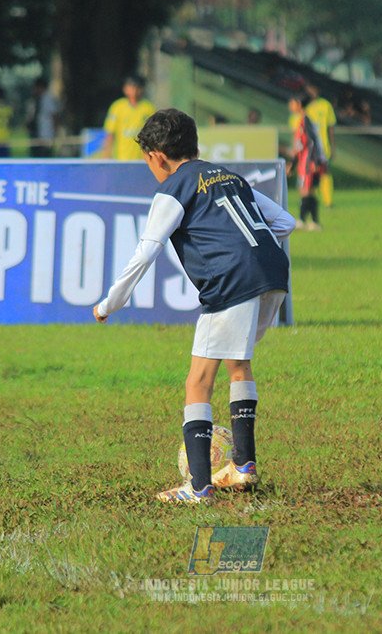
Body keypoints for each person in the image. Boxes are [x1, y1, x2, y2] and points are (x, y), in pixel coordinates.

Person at [93, 109, 296, 503]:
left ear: (156, 156)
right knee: (238, 363)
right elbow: (284, 222)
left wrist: (109, 303)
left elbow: (146, 251)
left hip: (231, 281)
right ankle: (243, 466)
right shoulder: (230, 177)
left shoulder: (173, 189)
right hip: (273, 273)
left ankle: (199, 486)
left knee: (197, 382)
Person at [288, 93, 326, 230]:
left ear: (299, 104)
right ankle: (314, 222)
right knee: (308, 191)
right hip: (305, 160)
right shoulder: (301, 121)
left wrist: (314, 161)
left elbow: (312, 142)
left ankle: (303, 220)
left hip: (308, 161)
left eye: (292, 103)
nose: (290, 106)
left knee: (306, 191)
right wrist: (292, 165)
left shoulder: (306, 121)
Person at [103, 74, 156, 160]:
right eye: (131, 87)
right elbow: (110, 133)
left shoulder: (148, 108)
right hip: (121, 159)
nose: (134, 91)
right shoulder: (117, 107)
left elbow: (153, 135)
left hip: (142, 159)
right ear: (125, 89)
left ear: (142, 89)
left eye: (137, 87)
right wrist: (107, 154)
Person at [305, 83, 337, 207]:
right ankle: (309, 198)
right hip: (308, 147)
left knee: (325, 172)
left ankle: (328, 201)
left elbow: (330, 127)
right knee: (309, 173)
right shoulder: (305, 106)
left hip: (322, 146)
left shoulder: (325, 105)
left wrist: (332, 147)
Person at [29, 77, 61, 158]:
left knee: (45, 157)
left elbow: (55, 115)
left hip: (46, 135)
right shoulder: (37, 99)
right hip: (38, 135)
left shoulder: (48, 99)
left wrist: (55, 131)